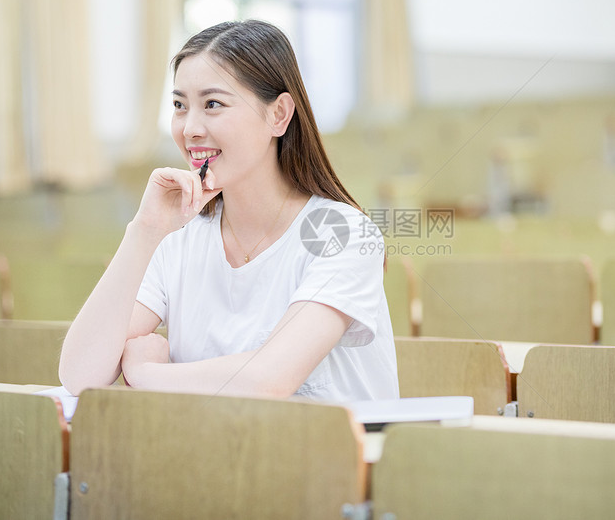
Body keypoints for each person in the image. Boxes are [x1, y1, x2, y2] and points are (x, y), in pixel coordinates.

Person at [59, 20, 399, 403]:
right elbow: (80, 375)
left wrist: (146, 373)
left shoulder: (345, 234)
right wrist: (145, 230)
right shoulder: (176, 239)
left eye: (213, 104)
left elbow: (268, 381)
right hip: (221, 455)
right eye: (179, 106)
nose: (189, 129)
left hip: (331, 458)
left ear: (279, 115)